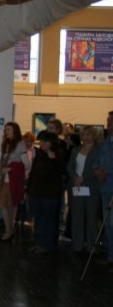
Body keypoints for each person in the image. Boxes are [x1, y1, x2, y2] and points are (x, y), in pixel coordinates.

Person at [27, 131, 65, 254]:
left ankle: (48, 244)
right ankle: (39, 242)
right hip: (36, 191)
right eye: (41, 141)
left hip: (50, 194)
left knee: (49, 219)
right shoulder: (39, 155)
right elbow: (33, 173)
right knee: (38, 218)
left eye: (44, 141)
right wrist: (29, 190)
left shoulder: (58, 155)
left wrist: (53, 160)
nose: (41, 143)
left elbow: (59, 174)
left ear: (51, 143)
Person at [67, 125, 101, 255]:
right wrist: (75, 177)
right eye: (83, 135)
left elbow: (98, 168)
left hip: (91, 187)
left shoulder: (98, 151)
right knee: (77, 216)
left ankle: (91, 246)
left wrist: (83, 178)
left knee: (91, 217)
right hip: (76, 186)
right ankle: (77, 244)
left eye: (88, 134)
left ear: (94, 136)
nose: (86, 137)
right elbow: (69, 166)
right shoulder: (76, 149)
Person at [0, 122, 29, 242]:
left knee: (3, 205)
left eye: (9, 130)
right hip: (5, 179)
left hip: (12, 180)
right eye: (5, 130)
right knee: (6, 205)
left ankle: (9, 230)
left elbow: (27, 164)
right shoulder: (7, 144)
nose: (6, 132)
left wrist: (11, 169)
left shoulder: (20, 145)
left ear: (15, 131)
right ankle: (9, 229)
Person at [95, 111, 113, 273]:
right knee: (107, 223)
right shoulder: (106, 142)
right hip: (105, 187)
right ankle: (110, 255)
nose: (108, 124)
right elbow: (97, 159)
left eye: (110, 121)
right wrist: (97, 170)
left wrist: (107, 170)